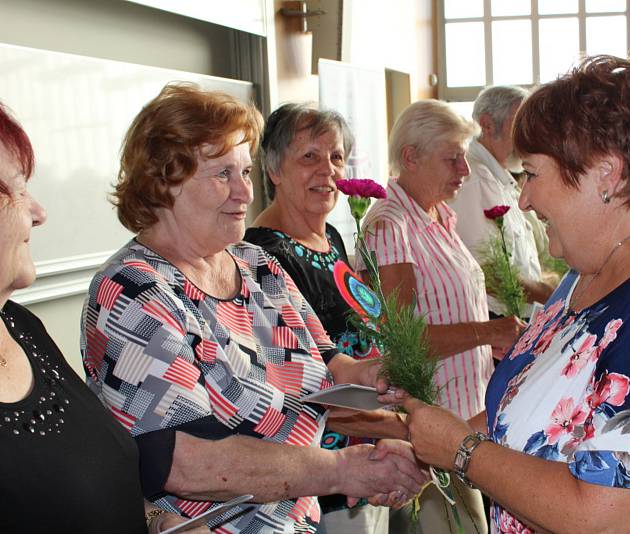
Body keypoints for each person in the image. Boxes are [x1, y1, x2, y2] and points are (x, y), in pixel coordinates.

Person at [401, 55, 630, 533]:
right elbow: (538, 408)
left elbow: (606, 519)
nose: (524, 199)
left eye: (532, 174)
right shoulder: (596, 269)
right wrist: (422, 439)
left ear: (606, 174)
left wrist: (463, 451)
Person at [80, 84, 426, 534]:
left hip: (300, 520)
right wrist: (341, 468)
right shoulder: (133, 290)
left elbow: (325, 362)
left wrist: (370, 374)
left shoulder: (255, 264)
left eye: (245, 171)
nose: (244, 192)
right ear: (164, 181)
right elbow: (183, 462)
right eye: (223, 174)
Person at [0, 101, 207, 533]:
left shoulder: (20, 326)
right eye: (17, 191)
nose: (39, 213)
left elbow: (95, 477)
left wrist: (156, 519)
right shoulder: (132, 284)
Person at [359, 99, 527, 534]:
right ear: (411, 157)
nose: (465, 171)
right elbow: (405, 343)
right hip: (433, 435)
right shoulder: (389, 225)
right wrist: (487, 330)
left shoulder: (439, 216)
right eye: (452, 158)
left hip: (468, 423)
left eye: (464, 158)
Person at [244, 103, 390, 533]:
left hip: (367, 450)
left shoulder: (331, 236)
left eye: (336, 157)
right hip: (320, 470)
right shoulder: (264, 256)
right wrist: (401, 426)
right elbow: (291, 386)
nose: (327, 170)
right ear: (273, 170)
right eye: (309, 157)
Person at [448, 86, 554, 318]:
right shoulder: (473, 178)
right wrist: (550, 294)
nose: (529, 136)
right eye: (520, 125)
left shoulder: (498, 176)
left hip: (514, 316)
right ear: (487, 125)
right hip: (494, 320)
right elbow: (484, 271)